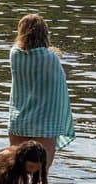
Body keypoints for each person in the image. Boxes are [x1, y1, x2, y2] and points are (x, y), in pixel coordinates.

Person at [7, 13, 74, 164]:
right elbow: (59, 83)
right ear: (44, 33)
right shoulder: (50, 58)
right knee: (42, 170)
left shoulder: (14, 55)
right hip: (45, 122)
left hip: (20, 119)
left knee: (16, 169)